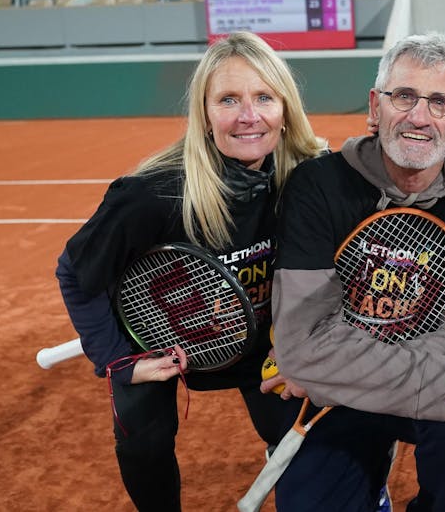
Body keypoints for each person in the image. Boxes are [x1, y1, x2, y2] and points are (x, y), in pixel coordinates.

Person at [54, 31, 327, 511]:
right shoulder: (153, 194)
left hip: (261, 339)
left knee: (305, 441)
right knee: (145, 444)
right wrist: (119, 359)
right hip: (156, 333)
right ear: (204, 114)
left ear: (285, 109)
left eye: (264, 96)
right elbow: (76, 272)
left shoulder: (308, 179)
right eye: (228, 100)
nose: (248, 116)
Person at [269, 33, 445, 512]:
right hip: (341, 399)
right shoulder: (318, 184)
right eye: (404, 97)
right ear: (375, 108)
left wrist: (340, 368)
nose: (419, 117)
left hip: (360, 378)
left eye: (440, 103)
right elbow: (304, 344)